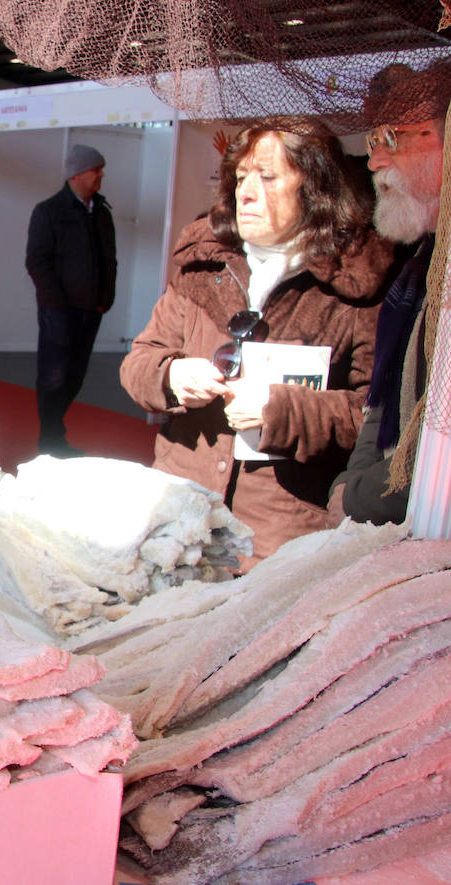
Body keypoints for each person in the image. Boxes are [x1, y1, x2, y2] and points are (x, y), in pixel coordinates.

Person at [119, 121, 395, 566]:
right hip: (179, 515)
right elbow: (138, 362)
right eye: (241, 177)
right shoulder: (201, 265)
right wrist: (171, 375)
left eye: (267, 177)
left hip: (279, 535)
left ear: (316, 187)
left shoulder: (358, 288)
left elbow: (375, 416)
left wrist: (281, 410)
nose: (245, 192)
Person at [331, 60, 451, 525]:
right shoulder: (422, 265)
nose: (376, 160)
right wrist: (352, 485)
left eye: (393, 138)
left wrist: (356, 496)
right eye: (373, 141)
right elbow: (382, 403)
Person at [25, 144, 118, 456]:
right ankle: (50, 438)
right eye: (96, 170)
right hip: (58, 312)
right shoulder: (48, 212)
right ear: (77, 174)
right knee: (54, 375)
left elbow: (110, 259)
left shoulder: (102, 213)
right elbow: (37, 261)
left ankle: (54, 431)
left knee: (75, 374)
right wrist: (56, 304)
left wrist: (106, 298)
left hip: (91, 309)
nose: (101, 175)